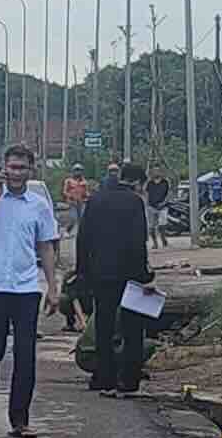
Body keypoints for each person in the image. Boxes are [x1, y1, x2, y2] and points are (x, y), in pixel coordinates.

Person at [0, 144, 59, 437]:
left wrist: (53, 288)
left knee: (25, 354)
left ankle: (20, 419)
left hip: (27, 289)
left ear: (31, 171)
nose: (16, 173)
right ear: (3, 168)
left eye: (22, 168)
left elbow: (46, 247)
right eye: (12, 167)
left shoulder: (38, 205)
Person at [79, 161, 155, 396]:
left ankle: (103, 376)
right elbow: (138, 241)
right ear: (137, 182)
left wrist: (83, 272)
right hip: (130, 275)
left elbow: (83, 239)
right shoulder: (135, 202)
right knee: (132, 328)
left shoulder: (96, 199)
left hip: (101, 273)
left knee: (104, 325)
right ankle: (128, 379)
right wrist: (144, 275)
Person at [144, 167, 172, 249]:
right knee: (151, 227)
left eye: (158, 171)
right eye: (154, 171)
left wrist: (164, 202)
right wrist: (147, 204)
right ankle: (155, 243)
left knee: (162, 225)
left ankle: (163, 240)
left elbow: (169, 194)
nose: (156, 173)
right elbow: (146, 193)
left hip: (163, 207)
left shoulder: (165, 182)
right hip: (151, 207)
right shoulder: (149, 183)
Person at [62, 164, 92, 235]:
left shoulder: (84, 182)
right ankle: (66, 231)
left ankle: (82, 233)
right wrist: (70, 196)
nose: (78, 172)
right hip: (72, 202)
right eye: (76, 170)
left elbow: (86, 192)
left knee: (82, 219)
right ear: (73, 171)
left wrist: (89, 196)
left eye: (79, 170)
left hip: (81, 202)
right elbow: (64, 191)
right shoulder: (69, 181)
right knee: (73, 218)